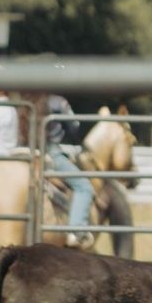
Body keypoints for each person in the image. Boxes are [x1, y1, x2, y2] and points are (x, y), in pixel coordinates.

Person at [44, 93, 95, 250]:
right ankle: (76, 232)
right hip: (50, 152)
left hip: (21, 149)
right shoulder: (58, 102)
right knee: (84, 187)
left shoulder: (21, 95)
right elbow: (74, 127)